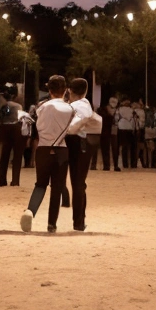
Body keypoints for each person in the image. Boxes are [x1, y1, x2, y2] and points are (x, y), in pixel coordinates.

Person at [20, 76, 74, 233]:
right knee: (56, 188)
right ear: (65, 91)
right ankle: (51, 224)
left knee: (40, 184)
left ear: (49, 91)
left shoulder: (40, 107)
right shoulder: (70, 109)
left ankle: (30, 211)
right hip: (61, 149)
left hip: (43, 148)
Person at [64, 78, 94, 231]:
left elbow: (76, 124)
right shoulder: (84, 105)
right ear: (86, 91)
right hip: (81, 143)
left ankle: (78, 220)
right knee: (79, 183)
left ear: (70, 90)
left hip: (74, 141)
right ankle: (79, 221)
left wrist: (68, 130)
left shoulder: (75, 105)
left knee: (76, 183)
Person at [0, 87, 26, 186]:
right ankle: (15, 181)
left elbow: (0, 117)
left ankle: (2, 181)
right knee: (17, 155)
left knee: (5, 155)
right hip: (16, 128)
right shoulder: (18, 106)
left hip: (5, 128)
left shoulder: (4, 106)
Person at [116, 99, 134, 169]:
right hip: (129, 128)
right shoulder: (131, 110)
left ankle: (124, 163)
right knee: (128, 146)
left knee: (123, 147)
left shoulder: (119, 109)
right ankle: (130, 163)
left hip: (121, 127)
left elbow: (117, 118)